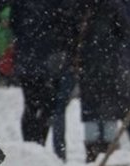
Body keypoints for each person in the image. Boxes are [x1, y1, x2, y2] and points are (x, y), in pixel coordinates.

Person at [77, 0, 130, 163]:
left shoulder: (85, 8)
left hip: (93, 68)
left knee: (93, 113)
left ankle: (93, 153)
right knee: (117, 111)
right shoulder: (123, 8)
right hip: (116, 67)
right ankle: (111, 151)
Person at [11, 0, 80, 157]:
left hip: (29, 58)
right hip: (48, 61)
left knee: (31, 104)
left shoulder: (24, 6)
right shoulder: (56, 6)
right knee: (46, 105)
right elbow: (67, 24)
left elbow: (14, 24)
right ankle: (38, 144)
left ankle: (31, 143)